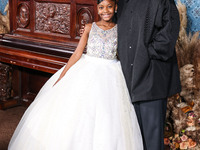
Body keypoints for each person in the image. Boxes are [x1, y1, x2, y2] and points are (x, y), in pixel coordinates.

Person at [8, 0, 143, 150]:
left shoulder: (120, 29)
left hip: (111, 73)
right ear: (97, 9)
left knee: (108, 116)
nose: (106, 10)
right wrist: (63, 74)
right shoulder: (89, 27)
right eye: (102, 7)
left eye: (109, 6)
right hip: (88, 69)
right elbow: (78, 53)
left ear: (116, 8)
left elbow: (124, 53)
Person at [117, 0, 181, 150]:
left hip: (151, 79)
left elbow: (168, 37)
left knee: (152, 140)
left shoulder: (162, 1)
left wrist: (145, 53)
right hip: (128, 78)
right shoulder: (123, 3)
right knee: (133, 138)